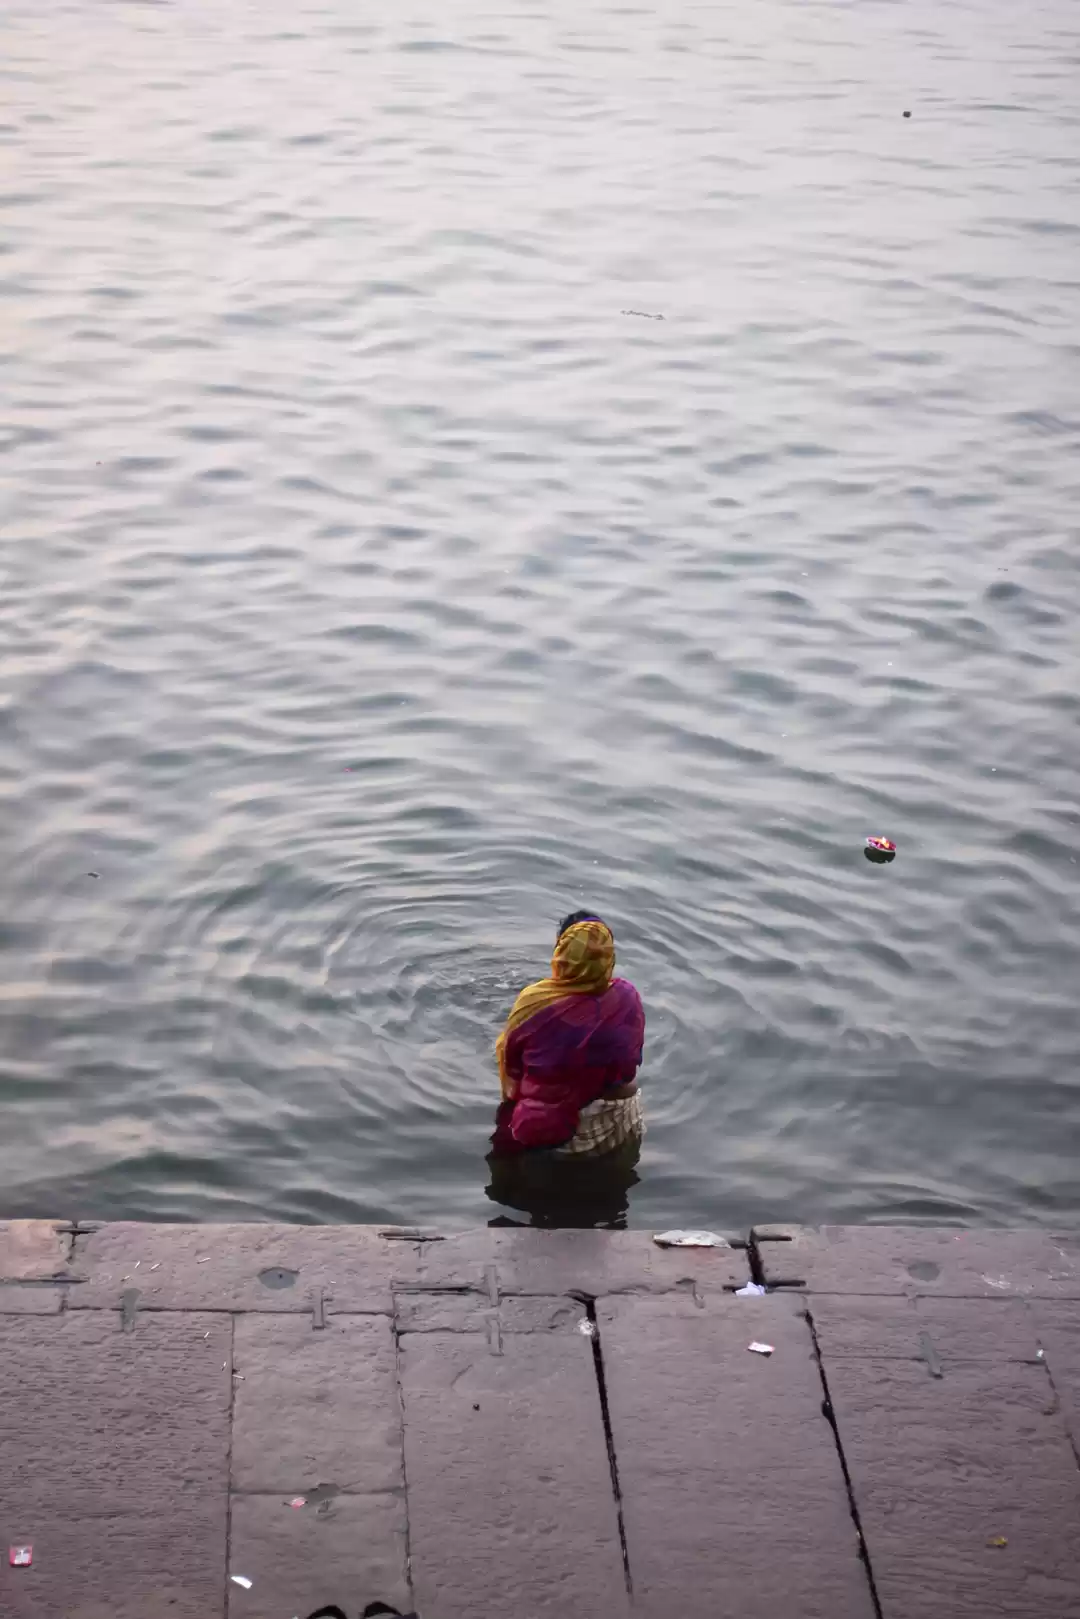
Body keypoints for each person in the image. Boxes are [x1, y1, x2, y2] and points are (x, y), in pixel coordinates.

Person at [491, 911, 645, 1158]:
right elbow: (629, 1060)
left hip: (560, 1131)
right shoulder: (627, 996)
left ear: (562, 953)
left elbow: (513, 1065)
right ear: (608, 955)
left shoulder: (534, 1002)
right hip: (622, 1116)